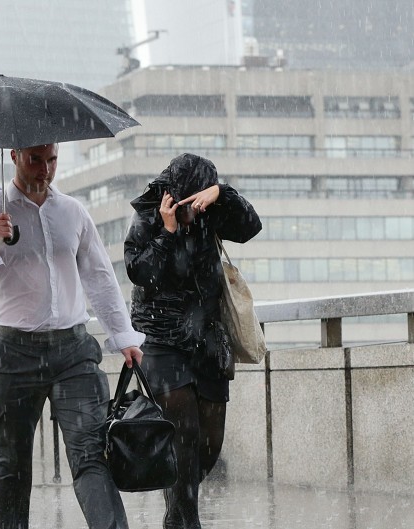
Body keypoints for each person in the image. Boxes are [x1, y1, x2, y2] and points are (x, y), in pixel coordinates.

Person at [0, 143, 145, 529]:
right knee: (8, 466)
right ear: (14, 156)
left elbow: (99, 277)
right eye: (35, 160)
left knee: (92, 455)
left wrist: (124, 336)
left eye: (52, 160)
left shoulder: (72, 212)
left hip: (73, 350)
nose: (45, 169)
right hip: (12, 354)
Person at [123, 153, 262, 529]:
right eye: (191, 200)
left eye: (200, 200)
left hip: (209, 341)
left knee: (209, 446)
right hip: (164, 341)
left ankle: (176, 508)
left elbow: (251, 226)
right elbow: (141, 273)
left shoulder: (211, 212)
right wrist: (167, 234)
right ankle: (187, 519)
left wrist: (222, 193)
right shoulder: (148, 216)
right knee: (183, 435)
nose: (194, 210)